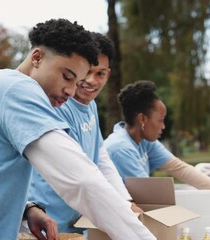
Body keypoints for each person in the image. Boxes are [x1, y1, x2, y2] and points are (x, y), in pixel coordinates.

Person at [0, 19, 155, 240]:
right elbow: (81, 181)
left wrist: (25, 208)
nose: (71, 91)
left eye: (76, 82)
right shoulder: (19, 91)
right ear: (37, 57)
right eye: (67, 76)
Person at [27, 32, 142, 233]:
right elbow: (82, 176)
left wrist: (126, 200)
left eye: (101, 74)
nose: (91, 81)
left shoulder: (91, 106)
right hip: (47, 224)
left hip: (79, 222)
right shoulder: (58, 106)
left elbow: (101, 158)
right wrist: (123, 213)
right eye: (87, 72)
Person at [104, 80, 210, 190]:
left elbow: (178, 168)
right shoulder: (120, 149)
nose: (163, 126)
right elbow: (148, 194)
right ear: (142, 119)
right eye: (160, 120)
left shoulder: (144, 141)